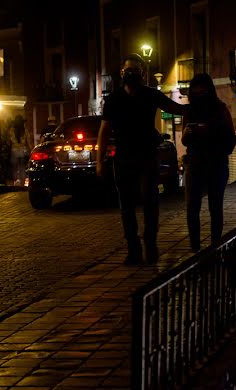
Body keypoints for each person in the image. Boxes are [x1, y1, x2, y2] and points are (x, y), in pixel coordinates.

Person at [97, 54, 187, 265]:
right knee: (126, 205)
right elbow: (104, 130)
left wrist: (201, 105)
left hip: (147, 156)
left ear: (142, 74)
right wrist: (99, 161)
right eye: (128, 71)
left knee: (150, 200)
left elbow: (176, 109)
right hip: (123, 158)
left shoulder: (150, 95)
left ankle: (150, 243)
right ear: (122, 73)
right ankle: (133, 248)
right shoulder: (113, 100)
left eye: (135, 71)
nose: (131, 74)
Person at [182, 73, 236, 252]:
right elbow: (185, 140)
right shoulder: (189, 111)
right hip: (195, 162)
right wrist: (185, 135)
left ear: (209, 90)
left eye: (202, 91)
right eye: (195, 91)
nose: (199, 95)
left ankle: (215, 246)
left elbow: (230, 138)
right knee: (192, 208)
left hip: (216, 162)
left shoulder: (220, 109)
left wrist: (210, 130)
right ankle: (195, 249)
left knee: (215, 207)